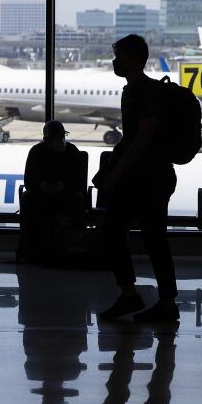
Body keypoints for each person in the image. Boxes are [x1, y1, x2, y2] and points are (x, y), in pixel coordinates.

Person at [93, 34, 179, 322]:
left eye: (120, 57)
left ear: (133, 59)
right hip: (139, 178)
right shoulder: (131, 91)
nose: (115, 62)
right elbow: (131, 139)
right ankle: (136, 296)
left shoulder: (147, 92)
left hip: (150, 179)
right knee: (127, 234)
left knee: (150, 239)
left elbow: (143, 138)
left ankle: (159, 301)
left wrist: (116, 171)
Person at [18, 120, 86, 263]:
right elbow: (29, 181)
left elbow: (79, 182)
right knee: (27, 197)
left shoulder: (72, 152)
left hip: (65, 194)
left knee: (77, 198)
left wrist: (64, 187)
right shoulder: (37, 152)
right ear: (47, 141)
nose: (60, 141)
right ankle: (30, 243)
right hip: (44, 194)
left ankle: (77, 240)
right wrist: (41, 187)